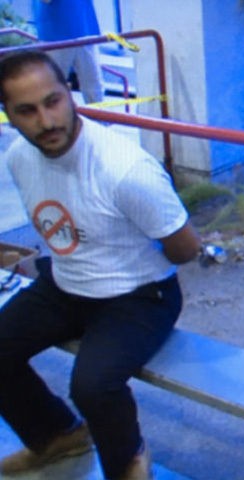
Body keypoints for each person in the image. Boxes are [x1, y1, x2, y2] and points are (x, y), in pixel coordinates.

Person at [0, 50, 202, 479]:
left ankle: (128, 462)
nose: (46, 120)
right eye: (27, 111)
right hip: (66, 282)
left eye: (53, 101)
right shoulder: (19, 156)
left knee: (92, 385)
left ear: (70, 94)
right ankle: (57, 437)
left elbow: (185, 248)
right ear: (9, 115)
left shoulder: (125, 169)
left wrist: (125, 261)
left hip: (142, 294)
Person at [34, 0, 104, 105]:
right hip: (56, 35)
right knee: (51, 87)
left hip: (85, 29)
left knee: (94, 87)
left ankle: (100, 120)